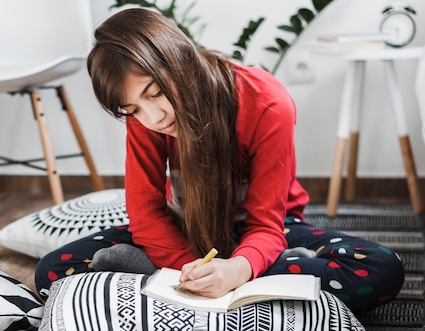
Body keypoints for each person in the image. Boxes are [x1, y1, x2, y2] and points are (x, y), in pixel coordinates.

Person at [34, 8, 404, 312]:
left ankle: (163, 279)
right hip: (183, 230)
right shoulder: (144, 119)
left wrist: (238, 268)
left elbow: (266, 224)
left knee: (382, 269)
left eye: (157, 92)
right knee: (51, 272)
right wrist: (193, 270)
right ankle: (279, 280)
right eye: (132, 109)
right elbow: (145, 214)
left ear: (180, 61)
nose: (153, 118)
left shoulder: (267, 103)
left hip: (265, 232)